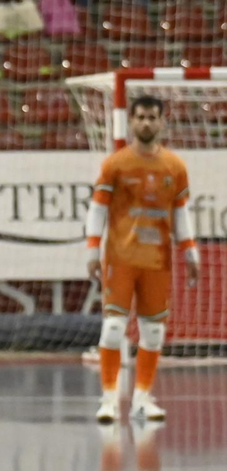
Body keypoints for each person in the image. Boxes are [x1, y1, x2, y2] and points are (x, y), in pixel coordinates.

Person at [86, 95, 200, 424]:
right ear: (131, 122)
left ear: (162, 122)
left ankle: (142, 399)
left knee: (153, 333)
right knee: (113, 328)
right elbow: (98, 208)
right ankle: (109, 400)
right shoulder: (116, 164)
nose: (146, 123)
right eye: (141, 117)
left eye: (152, 117)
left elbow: (180, 211)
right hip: (121, 258)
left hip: (157, 262)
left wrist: (190, 250)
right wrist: (92, 249)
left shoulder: (174, 167)